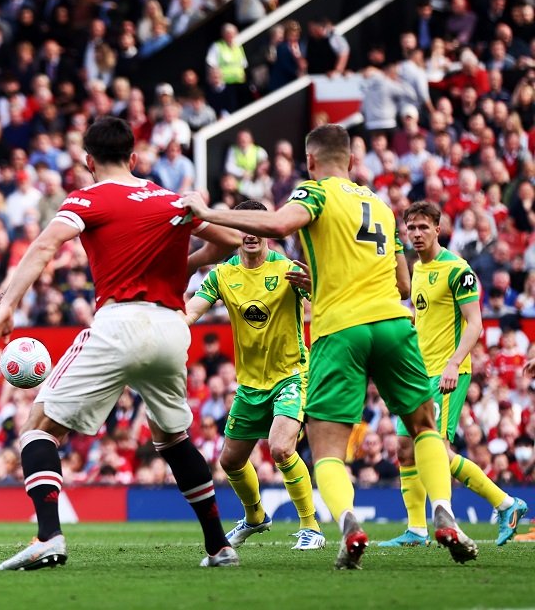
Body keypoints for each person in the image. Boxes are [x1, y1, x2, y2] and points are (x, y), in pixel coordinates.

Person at [177, 124, 478, 569]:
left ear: (311, 162)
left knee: (327, 449)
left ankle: (347, 523)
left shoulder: (315, 193)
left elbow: (279, 223)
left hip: (341, 329)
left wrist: (208, 211)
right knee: (424, 426)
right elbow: (400, 282)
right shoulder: (380, 206)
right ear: (353, 162)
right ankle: (445, 512)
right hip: (395, 325)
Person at [0, 116, 244, 570]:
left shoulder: (88, 197)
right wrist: (184, 266)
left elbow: (45, 246)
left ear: (88, 161)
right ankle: (219, 546)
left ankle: (48, 536)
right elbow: (227, 240)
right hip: (171, 327)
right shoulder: (169, 200)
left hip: (119, 322)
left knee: (38, 428)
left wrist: (8, 304)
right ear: (135, 157)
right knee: (173, 438)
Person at [379, 202, 527, 548]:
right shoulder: (415, 269)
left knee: (438, 450)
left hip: (448, 372)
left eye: (422, 227)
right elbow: (424, 319)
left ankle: (505, 504)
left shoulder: (457, 269)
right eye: (411, 228)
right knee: (404, 448)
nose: (416, 234)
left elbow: (475, 323)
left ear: (438, 227)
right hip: (417, 373)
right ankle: (416, 530)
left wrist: (452, 362)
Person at [183, 200, 325, 551]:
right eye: (243, 227)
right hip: (249, 384)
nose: (250, 234)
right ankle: (256, 516)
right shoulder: (222, 274)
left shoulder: (287, 268)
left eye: (257, 226)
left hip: (291, 375)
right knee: (230, 461)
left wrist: (313, 285)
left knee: (280, 447)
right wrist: (165, 326)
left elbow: (322, 302)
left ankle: (312, 527)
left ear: (266, 230)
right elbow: (192, 311)